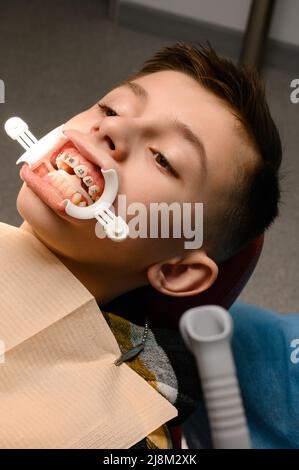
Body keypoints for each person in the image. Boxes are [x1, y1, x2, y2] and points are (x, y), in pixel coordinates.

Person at [16, 42, 282, 448]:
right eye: (111, 108)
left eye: (162, 158)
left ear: (177, 270)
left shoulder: (125, 427)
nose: (112, 129)